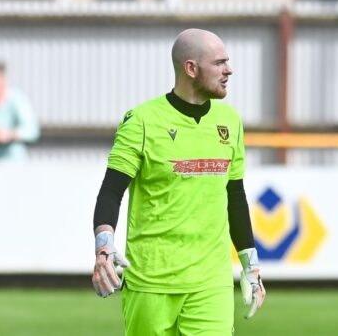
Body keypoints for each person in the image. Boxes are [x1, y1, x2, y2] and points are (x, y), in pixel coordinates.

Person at [91, 28, 266, 335]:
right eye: (220, 63)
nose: (229, 70)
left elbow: (235, 198)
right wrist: (103, 245)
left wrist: (250, 267)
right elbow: (111, 190)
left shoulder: (231, 122)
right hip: (152, 281)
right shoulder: (142, 121)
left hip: (211, 282)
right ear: (191, 68)